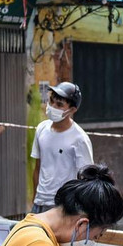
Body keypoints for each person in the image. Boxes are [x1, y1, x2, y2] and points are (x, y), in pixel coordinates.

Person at [31, 82, 94, 212]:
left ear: (72, 110)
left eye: (59, 105)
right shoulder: (41, 128)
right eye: (51, 101)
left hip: (63, 206)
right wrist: (35, 199)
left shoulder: (80, 139)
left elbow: (87, 179)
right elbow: (38, 167)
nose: (52, 106)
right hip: (39, 203)